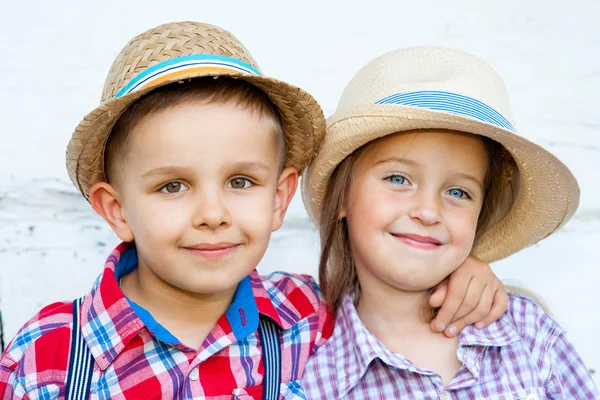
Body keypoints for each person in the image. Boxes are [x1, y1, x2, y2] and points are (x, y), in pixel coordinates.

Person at [0, 23, 507, 399]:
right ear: (117, 211)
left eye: (241, 181)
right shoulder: (48, 354)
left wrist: (466, 269)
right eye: (173, 186)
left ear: (280, 199)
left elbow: (399, 286)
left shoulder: (311, 319)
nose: (213, 213)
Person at [301, 46, 599, 399]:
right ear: (342, 194)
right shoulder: (313, 375)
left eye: (458, 192)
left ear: (480, 214)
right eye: (398, 179)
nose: (428, 212)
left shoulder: (530, 334)